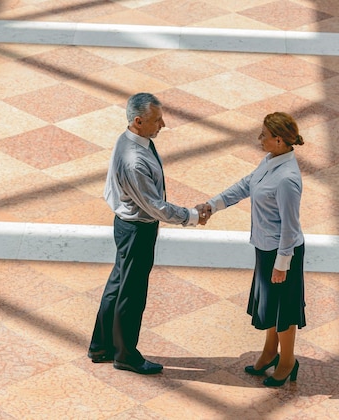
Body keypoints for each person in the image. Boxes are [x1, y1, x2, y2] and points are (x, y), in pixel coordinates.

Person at [88, 92, 209, 375]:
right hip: (137, 231)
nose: (163, 124)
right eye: (157, 120)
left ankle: (101, 345)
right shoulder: (135, 161)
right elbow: (155, 207)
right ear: (138, 121)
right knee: (132, 292)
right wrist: (190, 216)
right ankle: (126, 355)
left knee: (119, 284)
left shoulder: (131, 140)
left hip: (127, 225)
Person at [202, 112, 306, 387]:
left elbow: (290, 227)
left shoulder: (287, 179)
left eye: (264, 135)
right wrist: (214, 205)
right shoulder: (270, 161)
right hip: (265, 246)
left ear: (279, 140)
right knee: (270, 303)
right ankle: (270, 352)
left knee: (284, 309)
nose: (259, 139)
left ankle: (287, 361)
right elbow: (245, 185)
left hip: (282, 253)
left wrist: (282, 264)